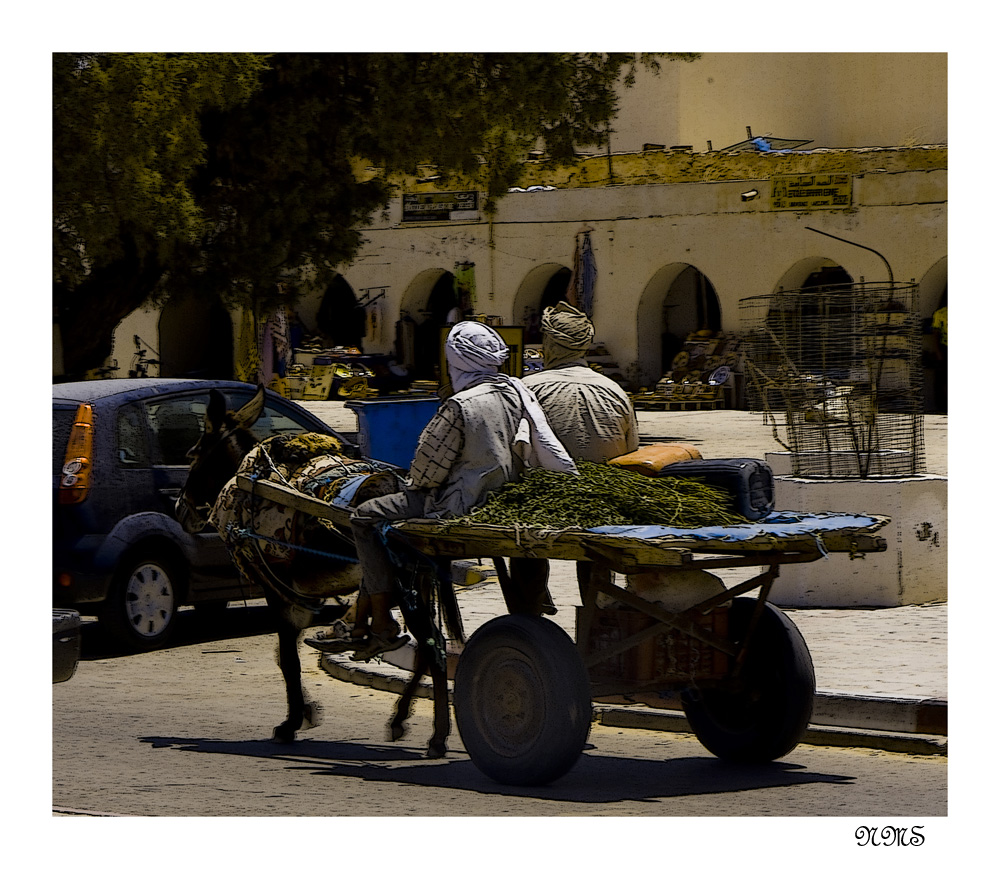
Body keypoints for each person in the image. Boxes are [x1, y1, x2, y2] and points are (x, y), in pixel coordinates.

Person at [307, 321, 577, 660]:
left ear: (457, 361)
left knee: (363, 517)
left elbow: (424, 475)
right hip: (504, 496)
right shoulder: (514, 392)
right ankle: (367, 619)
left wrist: (413, 483)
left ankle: (380, 620)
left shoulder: (460, 406)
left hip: (460, 503)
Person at [521, 301, 639, 462]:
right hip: (607, 482)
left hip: (545, 484)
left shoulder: (526, 389)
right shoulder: (615, 390)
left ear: (549, 344)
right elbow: (632, 453)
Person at [931, 296, 947, 414]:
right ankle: (943, 406)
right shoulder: (940, 313)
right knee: (943, 379)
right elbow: (935, 334)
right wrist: (938, 352)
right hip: (945, 348)